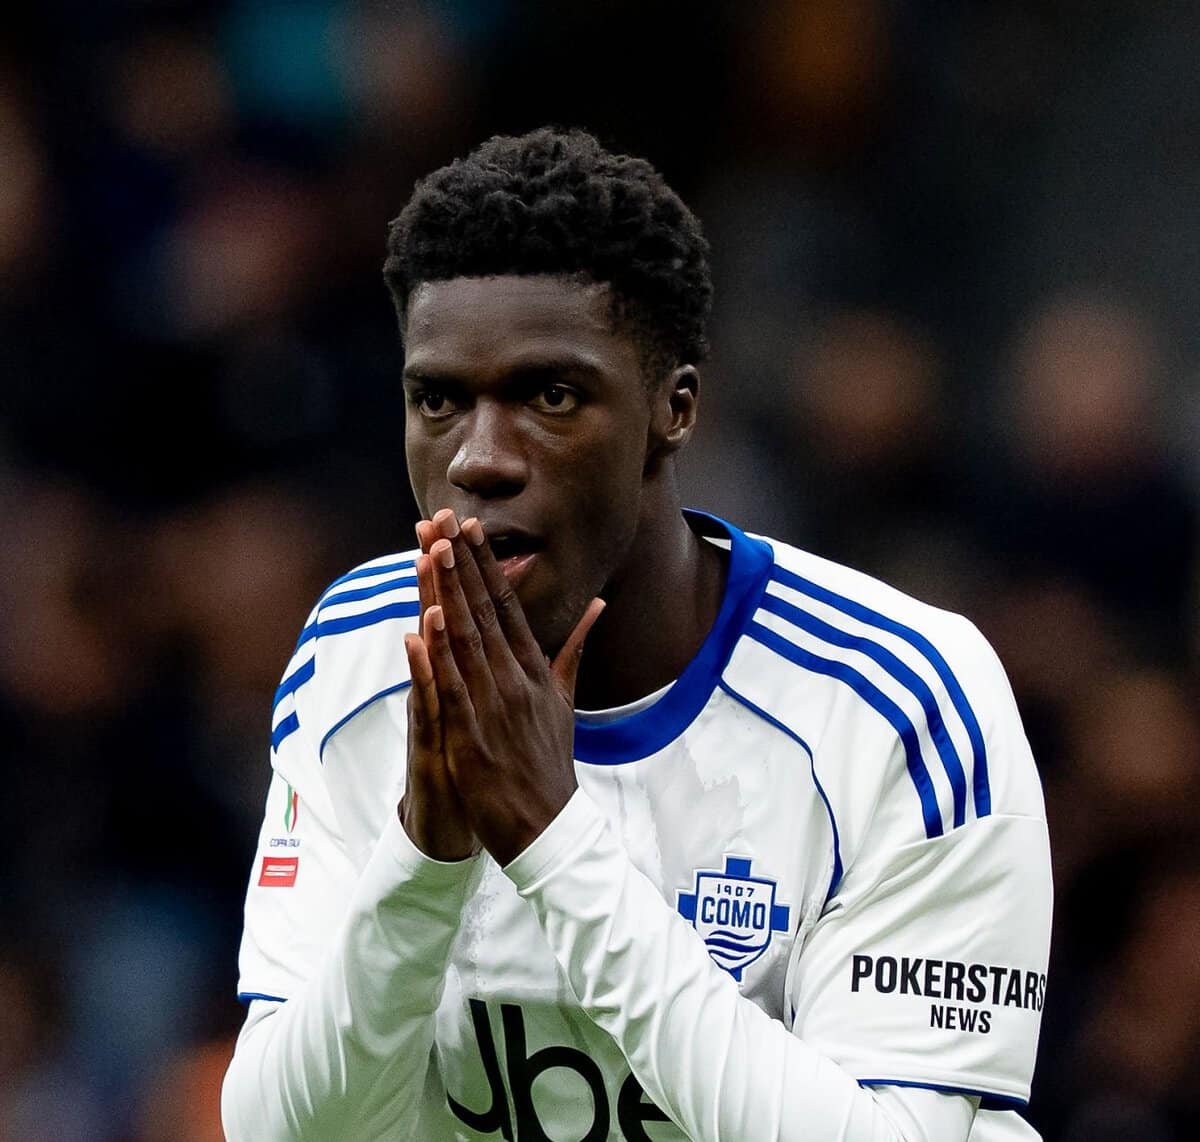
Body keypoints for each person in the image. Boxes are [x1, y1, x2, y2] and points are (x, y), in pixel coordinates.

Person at [221, 127, 1052, 1141]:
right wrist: (423, 860)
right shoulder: (359, 655)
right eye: (437, 399)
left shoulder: (902, 698)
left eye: (550, 396)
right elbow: (283, 1131)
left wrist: (552, 839)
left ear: (675, 409)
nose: (479, 459)